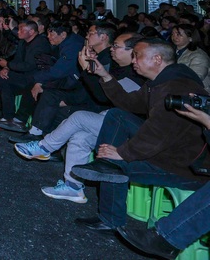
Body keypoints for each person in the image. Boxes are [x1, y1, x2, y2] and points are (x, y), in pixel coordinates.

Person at [69, 38, 210, 234]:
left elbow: (159, 133)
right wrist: (104, 75)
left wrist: (123, 153)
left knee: (115, 165)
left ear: (157, 59)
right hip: (167, 149)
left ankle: (110, 219)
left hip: (181, 166)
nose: (133, 60)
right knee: (117, 116)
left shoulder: (176, 88)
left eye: (137, 56)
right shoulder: (161, 82)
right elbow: (129, 104)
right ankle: (104, 163)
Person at [13, 32, 146, 203]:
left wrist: (87, 71)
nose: (112, 49)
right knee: (80, 137)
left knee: (78, 117)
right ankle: (73, 187)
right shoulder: (119, 68)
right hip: (112, 118)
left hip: (130, 126)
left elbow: (104, 97)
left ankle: (44, 147)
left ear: (133, 51)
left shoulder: (137, 76)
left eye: (116, 46)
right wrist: (92, 69)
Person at [117, 99, 210, 259]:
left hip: (191, 171)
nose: (135, 71)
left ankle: (168, 236)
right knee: (112, 116)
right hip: (187, 165)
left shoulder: (180, 81)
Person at [172, 23, 210, 90]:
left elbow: (195, 78)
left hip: (196, 92)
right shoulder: (171, 51)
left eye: (178, 34)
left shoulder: (199, 56)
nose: (174, 37)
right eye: (173, 34)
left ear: (190, 38)